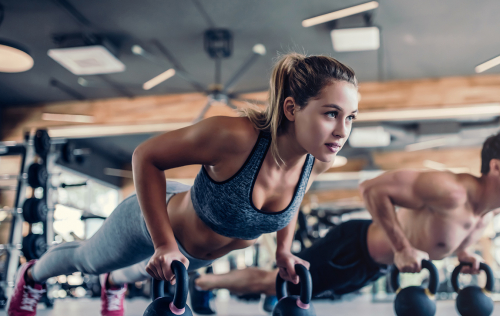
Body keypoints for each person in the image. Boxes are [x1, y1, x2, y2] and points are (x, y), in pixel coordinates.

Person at [7, 53, 360, 316]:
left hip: (191, 257)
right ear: (291, 108)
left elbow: (292, 202)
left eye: (350, 118)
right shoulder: (233, 137)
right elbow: (146, 156)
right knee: (89, 260)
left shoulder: (317, 161)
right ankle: (33, 275)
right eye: (331, 113)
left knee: (141, 269)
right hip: (153, 223)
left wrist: (284, 249)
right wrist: (163, 243)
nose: (343, 131)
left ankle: (113, 285)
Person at [189, 127, 500, 313]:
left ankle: (210, 284)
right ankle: (204, 284)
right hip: (353, 248)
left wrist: (465, 253)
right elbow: (371, 188)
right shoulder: (450, 189)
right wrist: (403, 246)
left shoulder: (490, 210)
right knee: (273, 283)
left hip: (369, 267)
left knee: (287, 288)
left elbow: (454, 231)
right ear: (497, 168)